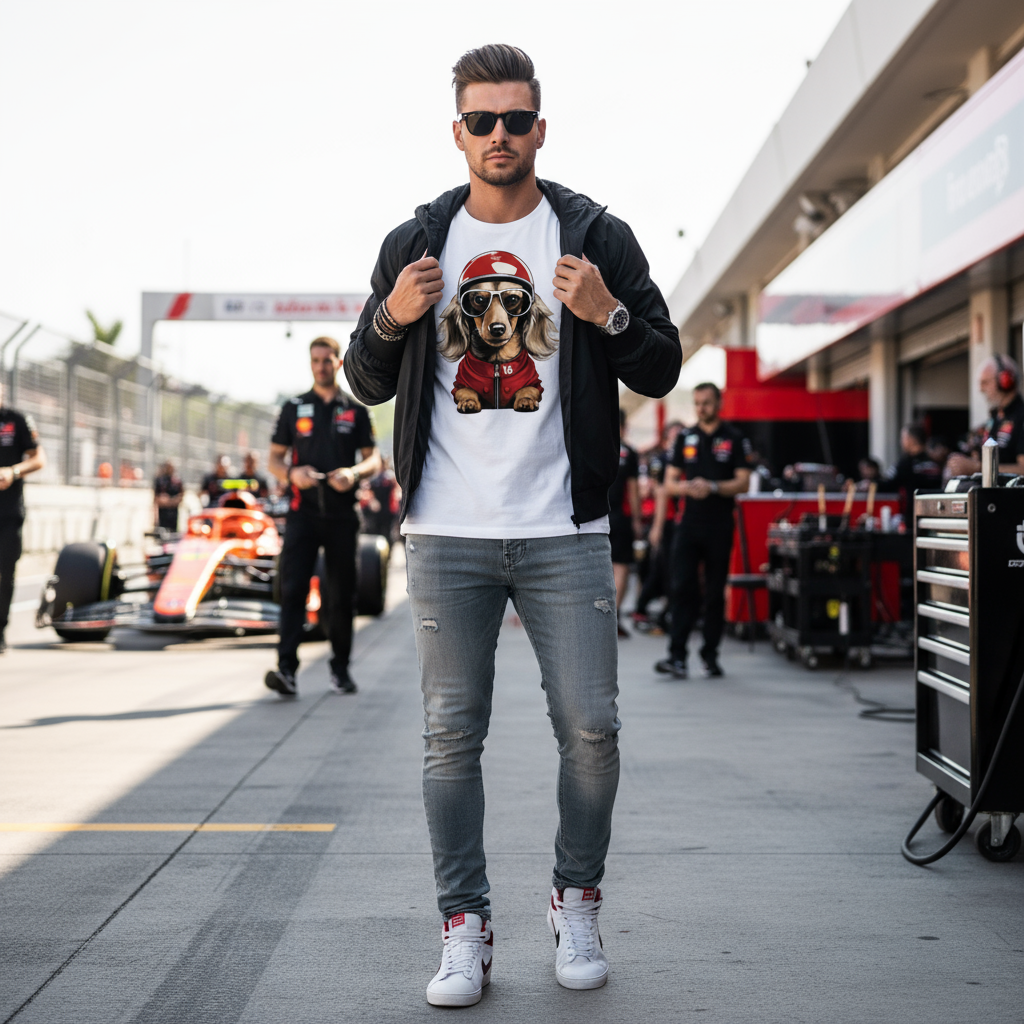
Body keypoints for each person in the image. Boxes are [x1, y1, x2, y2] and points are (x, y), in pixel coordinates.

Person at [342, 44, 680, 1006]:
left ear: (540, 127)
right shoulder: (415, 243)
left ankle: (575, 901)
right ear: (457, 132)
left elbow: (661, 363)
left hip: (565, 530)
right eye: (481, 121)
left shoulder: (594, 236)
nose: (500, 136)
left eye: (515, 120)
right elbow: (368, 382)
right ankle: (464, 925)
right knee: (451, 737)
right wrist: (390, 320)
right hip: (446, 531)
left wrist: (608, 316)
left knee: (592, 730)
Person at [266, 336, 380, 698]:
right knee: (293, 589)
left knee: (341, 595)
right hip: (303, 513)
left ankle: (341, 670)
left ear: (338, 362)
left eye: (327, 360)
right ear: (310, 364)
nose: (321, 366)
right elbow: (274, 460)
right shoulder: (294, 407)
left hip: (343, 516)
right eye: (315, 360)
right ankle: (286, 670)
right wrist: (291, 475)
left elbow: (374, 459)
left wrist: (354, 474)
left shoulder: (356, 410)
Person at [655, 383, 750, 680]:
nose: (701, 408)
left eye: (707, 403)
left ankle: (710, 655)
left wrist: (713, 487)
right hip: (689, 525)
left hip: (720, 525)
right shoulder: (684, 437)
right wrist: (688, 487)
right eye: (697, 403)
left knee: (714, 593)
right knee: (682, 588)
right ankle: (677, 657)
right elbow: (669, 484)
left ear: (719, 403)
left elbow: (744, 482)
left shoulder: (734, 438)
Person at [0, 377, 45, 654]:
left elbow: (39, 458)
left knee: (5, 573)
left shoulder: (16, 420)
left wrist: (13, 471)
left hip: (8, 513)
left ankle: (0, 628)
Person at [635, 421, 683, 634]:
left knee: (666, 568)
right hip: (663, 521)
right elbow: (659, 492)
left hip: (678, 521)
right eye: (674, 436)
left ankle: (661, 611)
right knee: (661, 568)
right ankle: (646, 609)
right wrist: (657, 526)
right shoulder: (662, 461)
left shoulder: (682, 459)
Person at [947, 354, 1024, 477]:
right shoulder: (995, 419)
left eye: (985, 382)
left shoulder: (1021, 417)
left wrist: (978, 468)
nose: (981, 389)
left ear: (1005, 381)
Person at [608, 409, 641, 637]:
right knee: (621, 567)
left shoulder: (596, 446)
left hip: (596, 516)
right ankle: (613, 615)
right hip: (620, 518)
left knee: (602, 568)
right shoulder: (630, 452)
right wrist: (637, 520)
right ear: (624, 426)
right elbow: (634, 491)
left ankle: (601, 618)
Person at [883, 424, 942, 508]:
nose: (901, 442)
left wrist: (872, 484)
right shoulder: (935, 463)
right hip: (934, 510)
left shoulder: (906, 463)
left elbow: (889, 483)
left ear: (911, 440)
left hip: (914, 511)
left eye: (903, 438)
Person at [153, 460, 184, 532]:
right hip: (162, 514)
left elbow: (181, 496)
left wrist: (170, 502)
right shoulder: (160, 480)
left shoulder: (177, 481)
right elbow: (156, 498)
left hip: (173, 514)